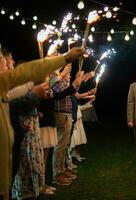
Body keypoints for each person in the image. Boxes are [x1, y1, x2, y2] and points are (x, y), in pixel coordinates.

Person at [0, 45, 84, 200]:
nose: (7, 63)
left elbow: (27, 74)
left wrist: (63, 58)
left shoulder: (4, 82)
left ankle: (36, 186)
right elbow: (16, 101)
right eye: (3, 60)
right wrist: (34, 94)